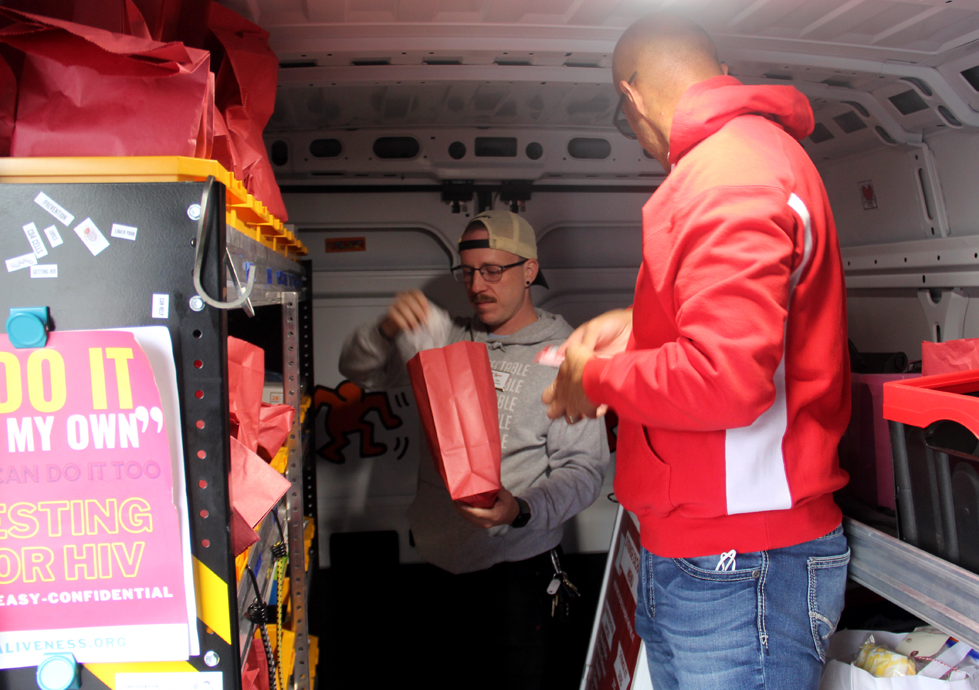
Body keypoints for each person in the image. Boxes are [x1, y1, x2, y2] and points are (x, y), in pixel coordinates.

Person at [542, 13, 851, 690]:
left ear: (631, 96)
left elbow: (724, 380)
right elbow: (742, 324)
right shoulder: (734, 164)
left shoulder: (730, 174)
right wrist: (631, 327)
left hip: (742, 559)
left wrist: (593, 378)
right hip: (712, 550)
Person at [338, 209, 610, 688]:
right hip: (436, 566)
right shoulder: (447, 337)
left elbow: (584, 470)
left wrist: (521, 509)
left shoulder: (569, 354)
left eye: (492, 271)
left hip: (518, 576)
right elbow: (359, 370)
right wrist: (384, 329)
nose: (477, 286)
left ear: (529, 270)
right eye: (467, 272)